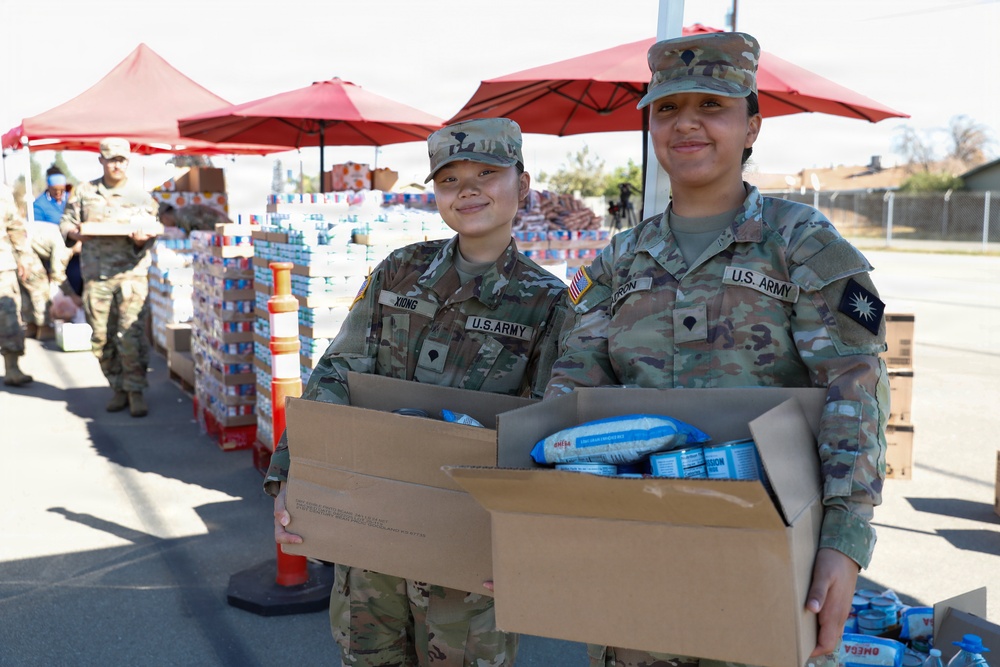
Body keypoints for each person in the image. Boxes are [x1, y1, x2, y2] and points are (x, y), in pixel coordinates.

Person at [546, 32, 888, 667]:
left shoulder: (800, 243)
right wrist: (537, 521)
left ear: (752, 125)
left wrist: (845, 535)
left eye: (713, 106)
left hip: (769, 545)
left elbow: (854, 388)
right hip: (634, 545)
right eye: (668, 109)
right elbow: (569, 394)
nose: (688, 125)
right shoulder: (620, 258)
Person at [266, 118, 568, 667]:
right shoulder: (399, 272)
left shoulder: (547, 303)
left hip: (467, 548)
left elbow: (548, 430)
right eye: (450, 180)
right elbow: (337, 371)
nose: (468, 190)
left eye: (486, 174)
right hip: (370, 531)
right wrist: (292, 475)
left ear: (523, 185)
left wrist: (531, 542)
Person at [59, 138, 159, 417]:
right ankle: (118, 387)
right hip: (97, 276)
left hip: (130, 275)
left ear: (128, 162)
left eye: (122, 160)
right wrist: (74, 233)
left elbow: (151, 231)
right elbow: (66, 221)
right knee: (102, 337)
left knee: (130, 334)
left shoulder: (141, 197)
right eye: (111, 159)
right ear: (101, 160)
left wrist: (141, 241)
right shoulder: (84, 192)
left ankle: (136, 390)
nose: (116, 164)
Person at [0, 184, 34, 386]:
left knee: (9, 317)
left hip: (2, 267)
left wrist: (24, 255)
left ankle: (12, 369)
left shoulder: (2, 192)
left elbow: (14, 225)